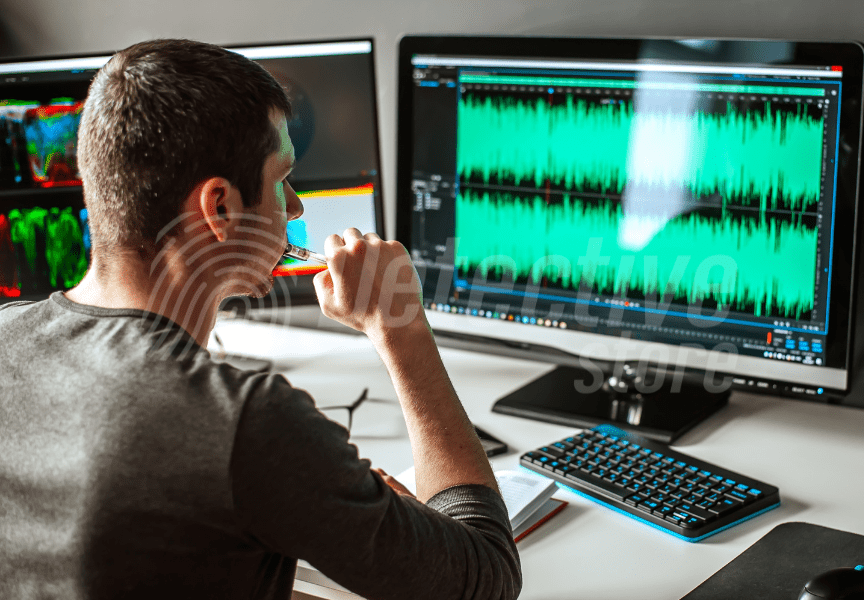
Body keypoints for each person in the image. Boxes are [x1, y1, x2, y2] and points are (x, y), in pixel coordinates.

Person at [0, 39, 522, 600]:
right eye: (282, 179)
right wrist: (403, 330)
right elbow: (485, 578)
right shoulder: (242, 422)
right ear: (220, 208)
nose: (294, 207)